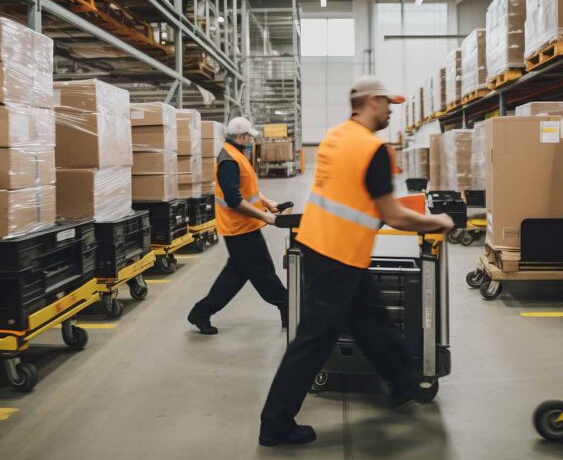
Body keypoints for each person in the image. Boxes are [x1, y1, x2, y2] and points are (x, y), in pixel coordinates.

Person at [258, 76, 455, 447]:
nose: (392, 111)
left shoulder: (335, 136)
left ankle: (402, 383)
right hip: (339, 256)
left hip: (319, 246)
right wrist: (437, 221)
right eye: (388, 103)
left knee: (369, 318)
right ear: (372, 102)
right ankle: (275, 424)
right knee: (313, 341)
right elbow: (393, 216)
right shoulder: (373, 150)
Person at [187, 117, 288, 335]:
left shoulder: (235, 155)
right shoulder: (229, 160)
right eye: (249, 136)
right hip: (239, 228)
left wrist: (267, 202)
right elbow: (234, 199)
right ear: (241, 136)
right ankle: (287, 305)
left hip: (244, 226)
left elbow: (246, 189)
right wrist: (265, 216)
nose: (251, 140)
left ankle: (201, 312)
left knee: (236, 275)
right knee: (264, 273)